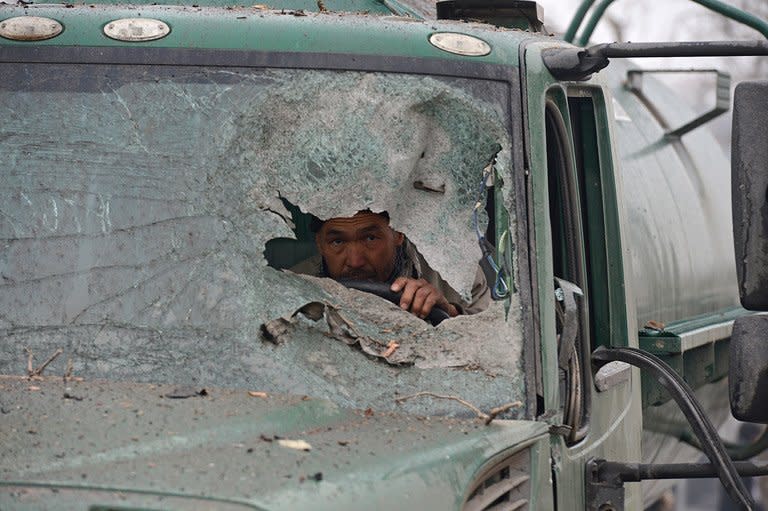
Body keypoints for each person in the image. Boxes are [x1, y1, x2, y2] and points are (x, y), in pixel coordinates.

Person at [290, 210, 490, 319]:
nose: (355, 261)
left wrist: (450, 311)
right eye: (338, 242)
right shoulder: (289, 288)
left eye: (370, 239)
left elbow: (494, 346)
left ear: (399, 234)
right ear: (320, 244)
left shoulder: (459, 277)